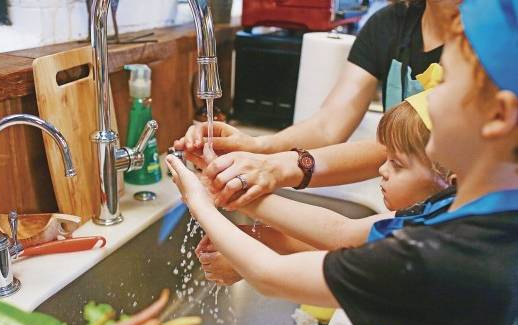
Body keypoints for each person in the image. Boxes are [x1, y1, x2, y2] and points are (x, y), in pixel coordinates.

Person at [166, 0, 518, 325]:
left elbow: (270, 276)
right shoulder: (458, 212)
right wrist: (241, 191)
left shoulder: (436, 257)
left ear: (500, 117)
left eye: (446, 83)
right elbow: (346, 234)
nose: (425, 95)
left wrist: (199, 198)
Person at [174, 0, 461, 208]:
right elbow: (328, 125)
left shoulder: (488, 47)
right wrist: (256, 146)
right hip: (411, 218)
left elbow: (401, 147)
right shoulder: (390, 24)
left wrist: (276, 167)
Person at [197, 85, 453, 285]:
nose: (381, 169)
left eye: (397, 164)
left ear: (449, 179)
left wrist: (227, 193)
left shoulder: (435, 228)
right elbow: (342, 240)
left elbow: (340, 235)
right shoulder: (437, 215)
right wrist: (254, 238)